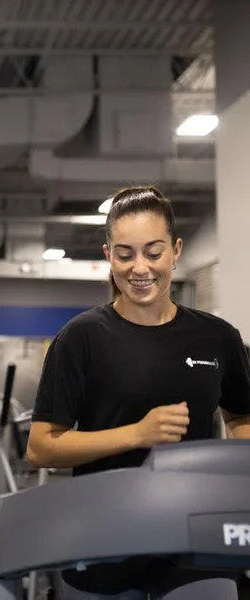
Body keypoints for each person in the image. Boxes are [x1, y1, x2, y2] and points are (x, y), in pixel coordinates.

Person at [26, 186, 250, 600]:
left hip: (194, 532)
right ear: (108, 255)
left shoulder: (218, 338)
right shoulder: (81, 338)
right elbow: (41, 447)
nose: (140, 267)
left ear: (176, 250)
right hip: (103, 534)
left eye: (153, 251)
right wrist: (137, 434)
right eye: (126, 254)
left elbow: (240, 416)